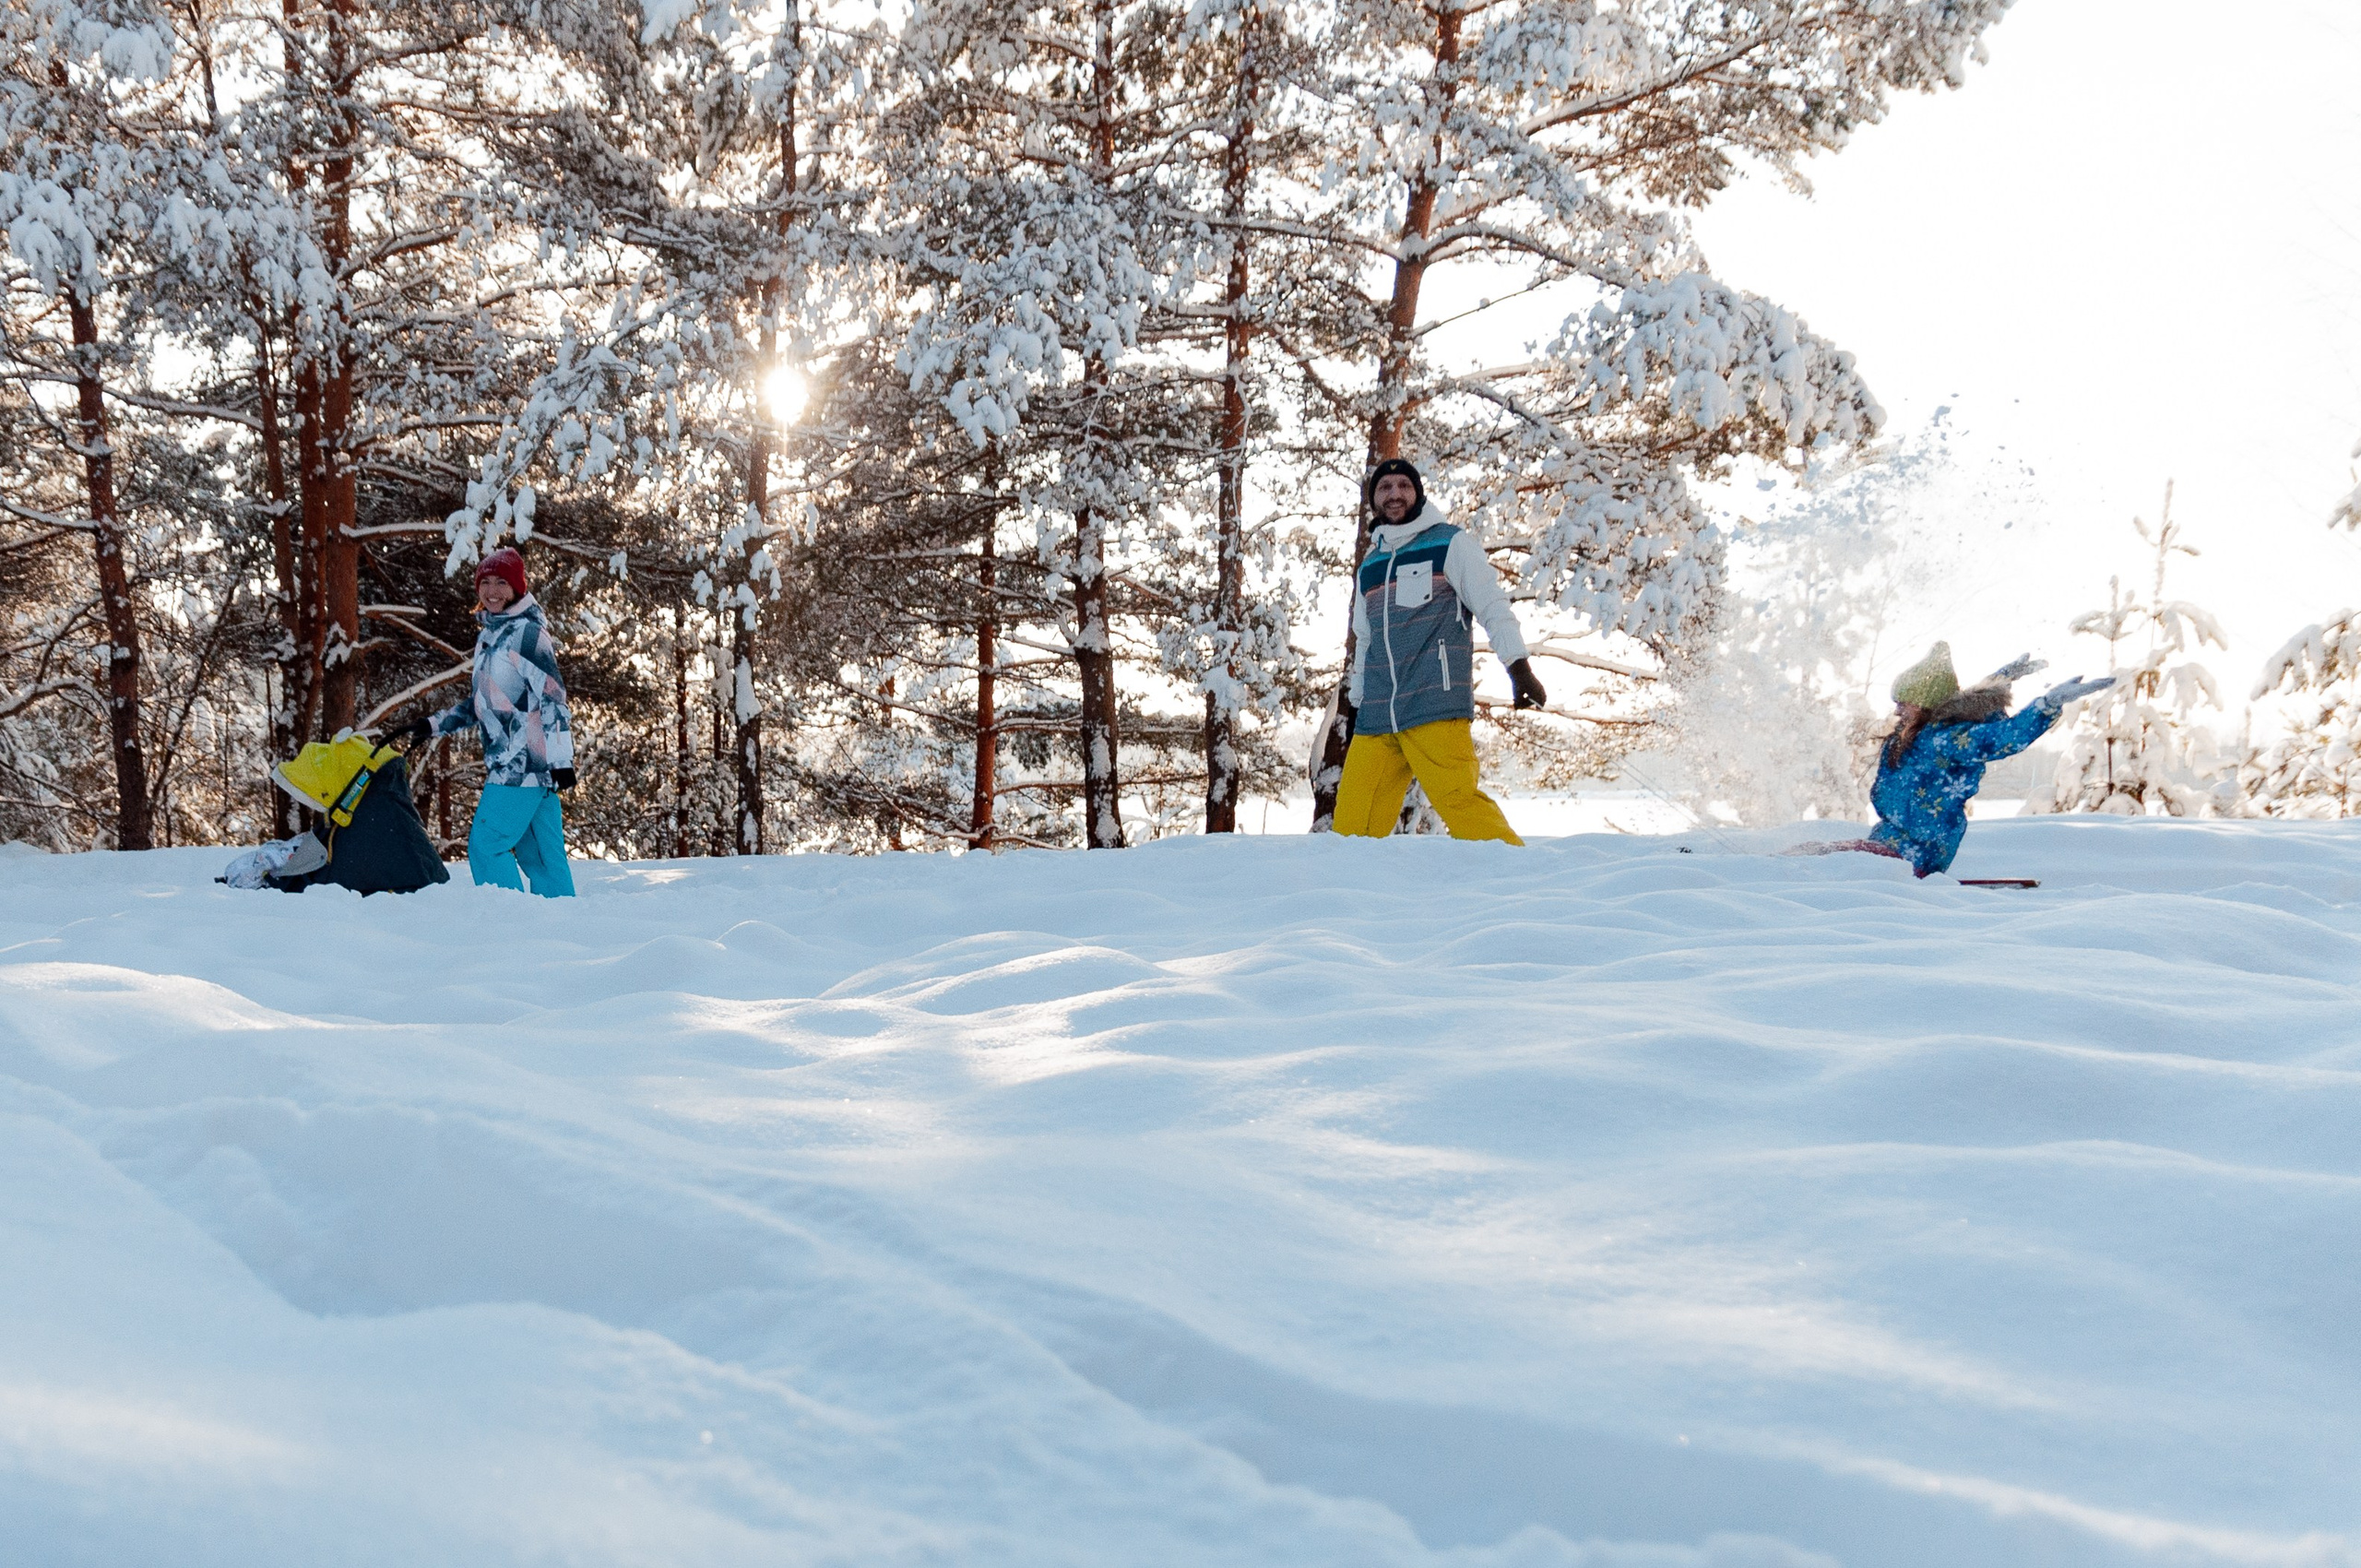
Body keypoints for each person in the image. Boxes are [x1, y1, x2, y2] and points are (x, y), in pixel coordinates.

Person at [1331, 457, 1549, 843]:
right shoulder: (1372, 563)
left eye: (1403, 486)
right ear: (1374, 500)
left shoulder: (1449, 543)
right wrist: (1356, 701)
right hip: (1379, 713)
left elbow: (1491, 605)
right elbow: (1365, 640)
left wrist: (1519, 668)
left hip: (1434, 702)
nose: (1395, 494)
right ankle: (1357, 900)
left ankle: (1519, 880)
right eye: (1385, 488)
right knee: (1352, 828)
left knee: (1461, 804)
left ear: (1417, 493)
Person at [1797, 642, 2112, 877]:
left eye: (1904, 703)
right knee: (1810, 854)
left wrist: (2048, 704)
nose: (1897, 711)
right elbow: (1971, 702)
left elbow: (2007, 736)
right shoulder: (1913, 735)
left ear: (1926, 704)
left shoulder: (1950, 741)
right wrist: (2000, 679)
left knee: (1822, 861)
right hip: (1888, 840)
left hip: (1917, 852)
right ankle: (1767, 871)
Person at [400, 546, 578, 897]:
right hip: (526, 767)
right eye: (486, 582)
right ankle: (563, 927)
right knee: (541, 858)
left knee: (487, 846)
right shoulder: (491, 636)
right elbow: (483, 702)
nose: (492, 591)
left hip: (522, 763)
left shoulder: (527, 634)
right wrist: (434, 725)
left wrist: (561, 760)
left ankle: (510, 926)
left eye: (502, 583)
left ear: (517, 588)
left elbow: (553, 697)